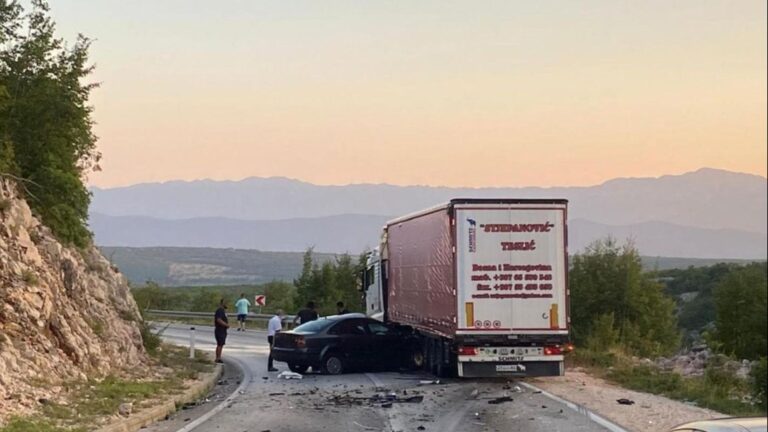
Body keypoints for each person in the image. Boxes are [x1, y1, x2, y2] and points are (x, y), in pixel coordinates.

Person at [214, 299, 229, 363]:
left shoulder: (223, 311)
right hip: (220, 330)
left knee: (221, 344)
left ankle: (218, 357)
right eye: (225, 303)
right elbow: (219, 320)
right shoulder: (220, 310)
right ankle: (218, 358)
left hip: (222, 330)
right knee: (220, 344)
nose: (226, 304)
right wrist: (226, 325)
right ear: (222, 303)